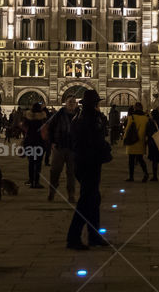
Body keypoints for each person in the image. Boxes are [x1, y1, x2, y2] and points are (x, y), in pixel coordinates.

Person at [66, 90, 111, 250]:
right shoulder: (91, 119)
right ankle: (73, 237)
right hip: (89, 163)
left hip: (81, 162)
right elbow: (96, 141)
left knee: (94, 199)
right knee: (86, 201)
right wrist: (106, 150)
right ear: (94, 104)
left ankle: (93, 235)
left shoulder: (78, 118)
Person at [46, 97, 78, 202]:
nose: (72, 104)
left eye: (74, 102)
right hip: (59, 147)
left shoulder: (79, 116)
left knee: (71, 173)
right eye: (70, 102)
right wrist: (52, 142)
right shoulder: (58, 115)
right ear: (65, 104)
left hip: (73, 148)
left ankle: (71, 194)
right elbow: (50, 129)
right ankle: (52, 192)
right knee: (55, 171)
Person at [21, 103, 47, 189]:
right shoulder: (43, 118)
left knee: (31, 163)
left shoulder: (28, 118)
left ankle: (31, 181)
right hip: (40, 142)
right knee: (38, 163)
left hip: (29, 142)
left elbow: (24, 127)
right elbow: (46, 129)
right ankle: (37, 182)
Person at [123, 103, 149, 183]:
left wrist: (124, 139)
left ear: (135, 108)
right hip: (141, 140)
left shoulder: (131, 117)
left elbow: (127, 129)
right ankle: (146, 174)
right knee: (140, 159)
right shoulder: (146, 118)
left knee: (131, 160)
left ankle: (131, 177)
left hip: (132, 141)